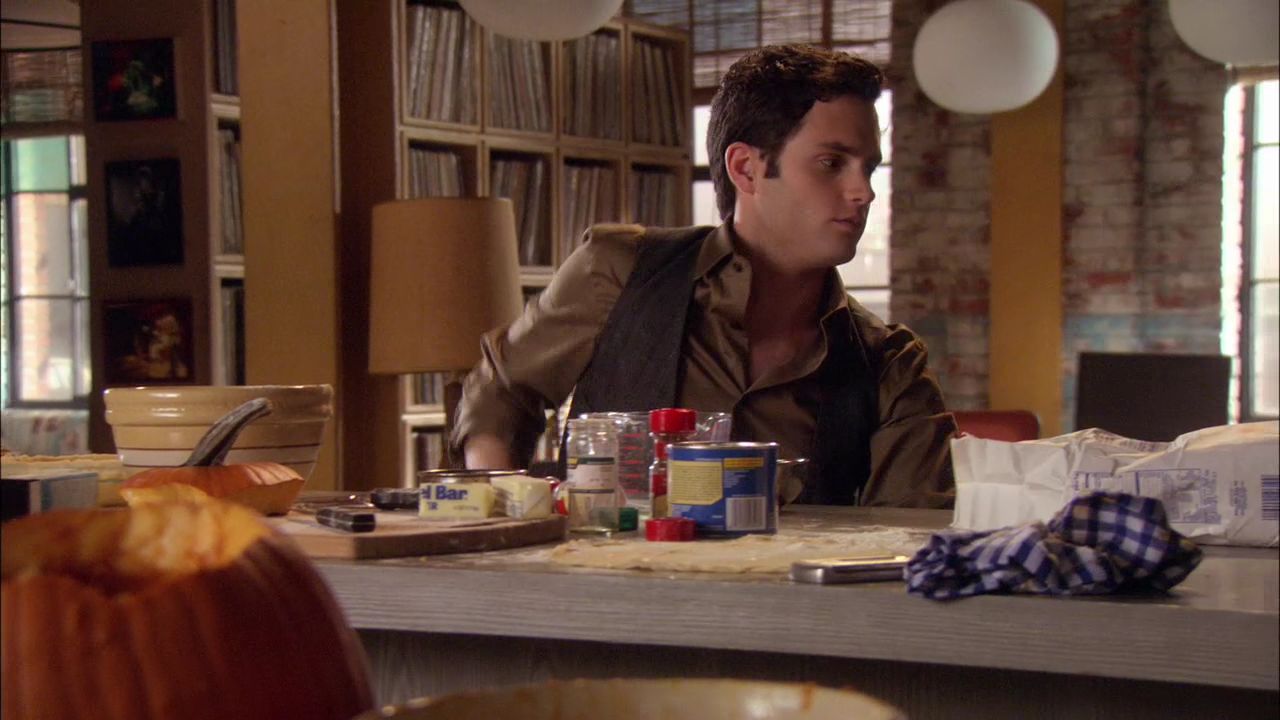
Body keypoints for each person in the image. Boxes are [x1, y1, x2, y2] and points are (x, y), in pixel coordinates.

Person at [452, 44, 955, 507]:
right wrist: (509, 511)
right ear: (746, 169)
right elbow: (503, 387)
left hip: (794, 581)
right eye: (831, 163)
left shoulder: (890, 364)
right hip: (598, 575)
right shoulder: (621, 271)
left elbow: (909, 537)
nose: (863, 192)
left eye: (868, 168)